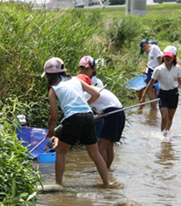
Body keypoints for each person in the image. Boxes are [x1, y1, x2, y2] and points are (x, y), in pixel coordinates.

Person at [42, 57, 109, 186]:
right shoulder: (76, 80)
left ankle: (58, 184)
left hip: (72, 118)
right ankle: (107, 184)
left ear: (49, 75)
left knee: (61, 152)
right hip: (88, 115)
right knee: (95, 154)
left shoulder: (53, 89)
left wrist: (51, 131)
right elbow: (96, 94)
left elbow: (54, 116)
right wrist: (85, 104)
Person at [77, 55, 125, 169]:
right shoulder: (91, 89)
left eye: (86, 69)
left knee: (101, 146)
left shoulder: (88, 91)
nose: (84, 71)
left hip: (112, 113)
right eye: (82, 69)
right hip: (118, 112)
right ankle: (106, 171)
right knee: (108, 146)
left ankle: (102, 171)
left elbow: (84, 107)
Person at [140, 46, 181, 138]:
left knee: (170, 118)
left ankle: (166, 133)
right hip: (163, 94)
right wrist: (143, 97)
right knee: (164, 117)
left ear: (174, 57)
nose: (167, 58)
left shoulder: (177, 68)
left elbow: (179, 80)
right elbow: (150, 84)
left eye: (169, 56)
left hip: (174, 94)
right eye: (165, 56)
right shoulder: (158, 69)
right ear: (163, 56)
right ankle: (163, 136)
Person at [139, 39, 163, 109]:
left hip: (154, 71)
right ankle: (153, 108)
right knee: (150, 88)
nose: (144, 51)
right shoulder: (150, 51)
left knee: (150, 88)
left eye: (143, 49)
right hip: (150, 70)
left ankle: (153, 108)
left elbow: (160, 58)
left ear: (145, 45)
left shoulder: (154, 48)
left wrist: (161, 70)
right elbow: (151, 62)